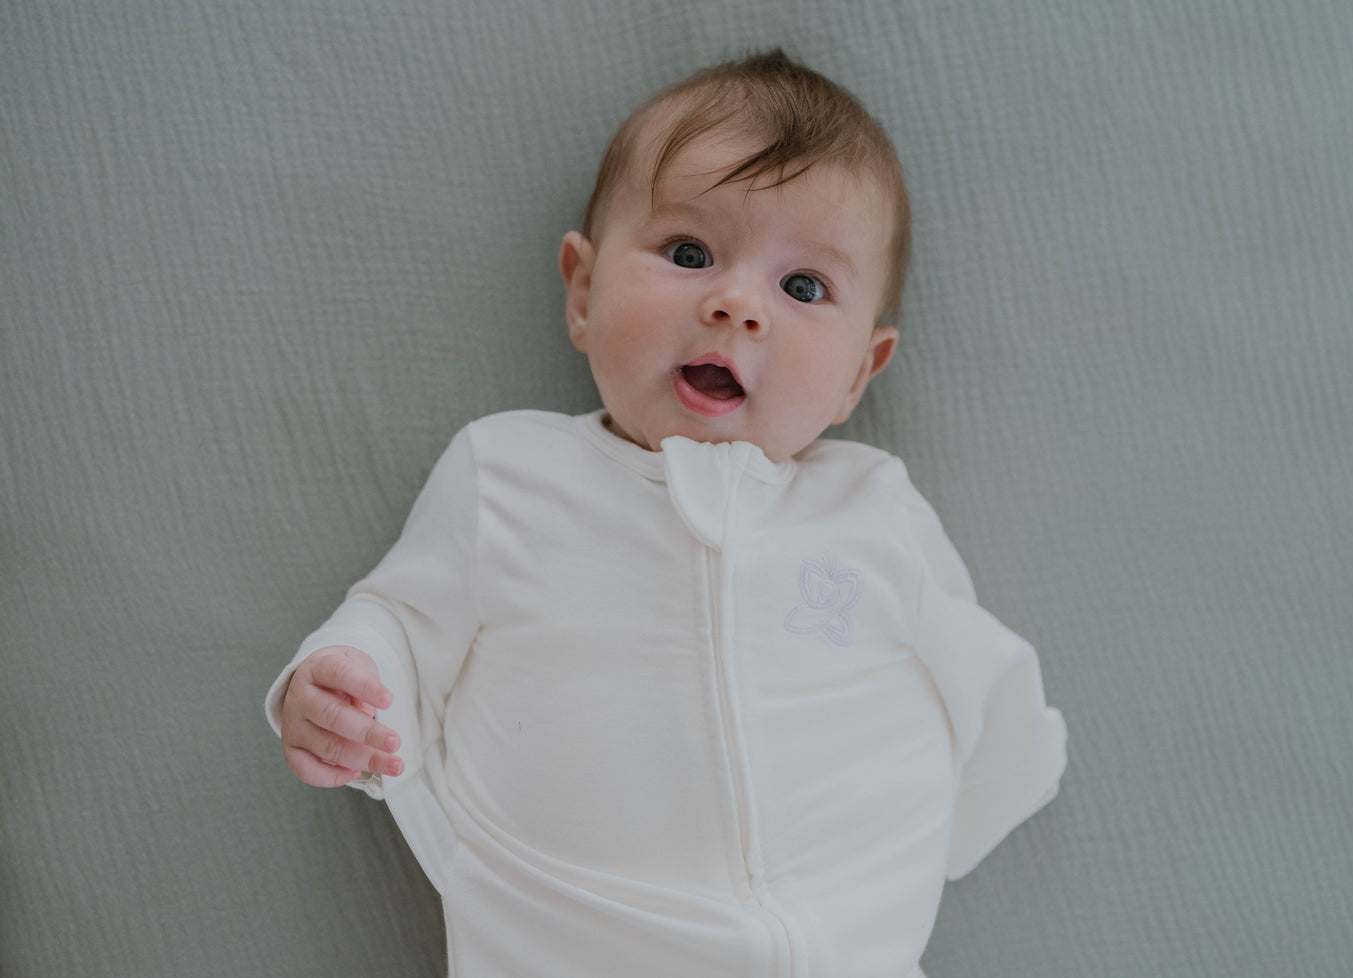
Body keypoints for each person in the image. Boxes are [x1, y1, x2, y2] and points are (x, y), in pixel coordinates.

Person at [265, 49, 1066, 978]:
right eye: (690, 254)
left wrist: (931, 848)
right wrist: (344, 679)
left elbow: (988, 697)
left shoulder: (873, 510)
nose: (737, 305)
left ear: (859, 372)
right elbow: (403, 620)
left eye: (803, 287)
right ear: (582, 290)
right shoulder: (511, 473)